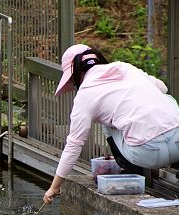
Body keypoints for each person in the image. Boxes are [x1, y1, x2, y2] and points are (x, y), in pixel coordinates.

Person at [43, 44, 179, 204]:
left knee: (107, 123)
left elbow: (74, 145)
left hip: (147, 154)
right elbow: (162, 88)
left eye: (72, 81)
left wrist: (54, 187)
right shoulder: (125, 68)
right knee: (167, 100)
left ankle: (131, 172)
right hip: (177, 142)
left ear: (77, 74)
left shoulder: (85, 94)